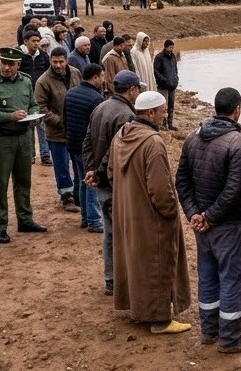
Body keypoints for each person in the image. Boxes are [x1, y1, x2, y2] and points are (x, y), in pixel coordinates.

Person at [176, 87, 241, 353]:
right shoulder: (237, 142)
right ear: (237, 110)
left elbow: (182, 181)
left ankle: (209, 331)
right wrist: (209, 217)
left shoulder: (192, 137)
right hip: (226, 224)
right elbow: (234, 189)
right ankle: (230, 338)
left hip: (202, 225)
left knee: (208, 276)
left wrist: (194, 214)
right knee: (232, 279)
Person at [110, 90, 191, 334]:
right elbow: (160, 189)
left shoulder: (121, 135)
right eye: (162, 112)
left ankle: (139, 310)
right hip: (150, 218)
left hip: (127, 212)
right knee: (157, 263)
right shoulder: (152, 142)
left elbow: (111, 173)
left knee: (136, 263)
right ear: (151, 112)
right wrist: (170, 213)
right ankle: (160, 320)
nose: (164, 116)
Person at [0, 47, 48, 244]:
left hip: (24, 138)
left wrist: (34, 115)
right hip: (1, 140)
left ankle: (25, 219)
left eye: (11, 64)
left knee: (24, 181)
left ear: (19, 65)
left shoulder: (25, 81)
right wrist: (10, 116)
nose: (6, 68)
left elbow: (33, 104)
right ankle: (0, 226)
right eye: (4, 63)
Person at [82, 70, 143, 296]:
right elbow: (116, 153)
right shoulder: (127, 115)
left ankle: (110, 279)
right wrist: (98, 173)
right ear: (131, 90)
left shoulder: (100, 107)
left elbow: (87, 141)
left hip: (102, 183)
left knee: (109, 232)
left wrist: (90, 170)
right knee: (124, 234)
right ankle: (122, 281)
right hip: (117, 184)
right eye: (138, 89)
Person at [35, 47, 82, 212]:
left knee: (79, 164)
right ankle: (66, 196)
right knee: (61, 166)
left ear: (67, 60)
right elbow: (40, 107)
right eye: (54, 62)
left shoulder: (75, 73)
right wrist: (59, 121)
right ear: (50, 61)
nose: (58, 65)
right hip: (56, 132)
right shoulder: (43, 81)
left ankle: (79, 194)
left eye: (61, 61)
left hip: (76, 130)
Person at [63, 63, 106, 232]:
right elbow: (98, 128)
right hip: (87, 148)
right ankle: (94, 220)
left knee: (82, 180)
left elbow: (65, 120)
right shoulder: (96, 99)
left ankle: (85, 218)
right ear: (95, 77)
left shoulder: (70, 93)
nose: (103, 80)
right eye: (102, 76)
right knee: (92, 182)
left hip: (72, 144)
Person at [18, 30, 53, 165]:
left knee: (42, 125)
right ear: (25, 41)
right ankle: (30, 154)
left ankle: (45, 154)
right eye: (33, 41)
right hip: (24, 96)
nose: (36, 43)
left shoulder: (43, 56)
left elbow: (48, 74)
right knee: (28, 126)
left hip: (40, 96)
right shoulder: (19, 55)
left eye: (38, 41)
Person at [153, 39, 179, 130]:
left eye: (172, 47)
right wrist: (163, 80)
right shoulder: (159, 57)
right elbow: (155, 71)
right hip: (163, 86)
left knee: (171, 105)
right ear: (165, 47)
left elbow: (175, 69)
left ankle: (170, 124)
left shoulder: (173, 56)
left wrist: (176, 79)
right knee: (163, 106)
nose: (172, 49)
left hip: (172, 85)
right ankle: (163, 124)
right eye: (170, 47)